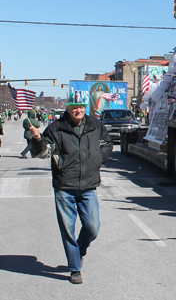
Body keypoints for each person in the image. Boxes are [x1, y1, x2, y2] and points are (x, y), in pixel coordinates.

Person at [30, 94, 113, 284]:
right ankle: (75, 268)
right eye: (74, 107)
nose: (78, 110)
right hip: (64, 186)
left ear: (85, 108)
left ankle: (81, 248)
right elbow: (43, 153)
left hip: (89, 185)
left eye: (81, 107)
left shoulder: (95, 125)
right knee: (67, 228)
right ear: (67, 109)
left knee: (92, 227)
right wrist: (37, 139)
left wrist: (99, 159)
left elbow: (107, 144)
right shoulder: (56, 128)